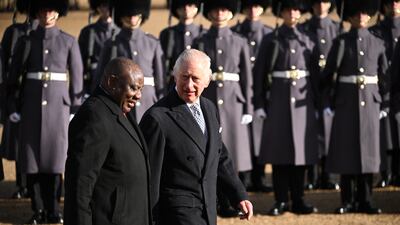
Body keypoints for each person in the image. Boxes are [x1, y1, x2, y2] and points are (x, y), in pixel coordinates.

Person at [140, 49, 253, 225]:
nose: (189, 85)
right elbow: (148, 176)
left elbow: (219, 155)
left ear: (207, 81)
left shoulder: (209, 108)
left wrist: (238, 194)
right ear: (175, 76)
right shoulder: (157, 118)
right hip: (176, 213)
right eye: (184, 77)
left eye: (196, 79)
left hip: (207, 208)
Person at [6, 0, 83, 223]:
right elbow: (13, 79)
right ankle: (37, 209)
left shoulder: (68, 41)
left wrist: (75, 107)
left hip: (59, 108)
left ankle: (53, 209)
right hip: (30, 107)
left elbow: (77, 80)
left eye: (51, 9)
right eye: (42, 9)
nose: (47, 13)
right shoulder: (26, 41)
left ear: (58, 12)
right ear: (36, 12)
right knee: (31, 161)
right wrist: (12, 106)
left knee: (55, 161)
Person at [64, 57, 151, 225]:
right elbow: (80, 185)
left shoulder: (119, 109)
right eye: (133, 88)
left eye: (141, 89)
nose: (139, 96)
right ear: (112, 81)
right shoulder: (94, 116)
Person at [253, 0, 319, 216]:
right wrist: (260, 103)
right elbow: (260, 74)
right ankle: (281, 200)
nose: (292, 13)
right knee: (280, 153)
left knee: (300, 154)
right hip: (278, 102)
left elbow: (316, 77)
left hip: (302, 103)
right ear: (281, 12)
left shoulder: (308, 39)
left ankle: (299, 199)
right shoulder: (271, 39)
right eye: (288, 9)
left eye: (295, 9)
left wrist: (318, 104)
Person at [324, 0, 389, 214]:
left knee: (368, 154)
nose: (360, 17)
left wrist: (383, 101)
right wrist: (328, 103)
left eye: (364, 13)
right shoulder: (341, 41)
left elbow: (384, 76)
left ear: (369, 15)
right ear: (350, 16)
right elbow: (328, 76)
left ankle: (366, 200)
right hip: (346, 103)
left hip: (370, 103)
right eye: (356, 13)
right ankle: (347, 199)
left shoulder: (378, 42)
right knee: (347, 152)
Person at [193, 0, 254, 216]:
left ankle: (231, 202)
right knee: (209, 152)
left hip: (233, 101)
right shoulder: (200, 40)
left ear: (230, 12)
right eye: (216, 9)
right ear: (209, 13)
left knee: (232, 152)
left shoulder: (240, 41)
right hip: (208, 100)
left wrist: (248, 106)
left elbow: (247, 77)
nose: (220, 13)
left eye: (224, 9)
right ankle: (216, 201)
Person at [94, 0, 164, 122]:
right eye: (128, 14)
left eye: (135, 14)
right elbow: (101, 78)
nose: (132, 18)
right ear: (121, 16)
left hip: (148, 101)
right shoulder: (111, 44)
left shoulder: (152, 43)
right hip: (120, 103)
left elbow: (160, 80)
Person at [231, 0, 273, 193]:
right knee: (243, 135)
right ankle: (244, 178)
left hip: (263, 88)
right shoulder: (235, 31)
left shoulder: (269, 32)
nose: (253, 10)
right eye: (249, 6)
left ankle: (260, 176)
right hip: (240, 89)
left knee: (261, 135)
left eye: (257, 5)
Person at [300, 0, 340, 191]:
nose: (320, 5)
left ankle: (330, 176)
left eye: (325, 1)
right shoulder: (303, 27)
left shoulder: (337, 28)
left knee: (332, 132)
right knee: (311, 132)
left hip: (331, 86)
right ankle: (312, 176)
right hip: (309, 86)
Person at [0, 0, 38, 199]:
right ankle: (22, 184)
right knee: (18, 141)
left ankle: (34, 186)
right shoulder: (13, 32)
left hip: (35, 92)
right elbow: (4, 67)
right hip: (17, 92)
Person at [370, 0, 400, 188]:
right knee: (384, 133)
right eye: (390, 2)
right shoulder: (375, 30)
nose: (394, 5)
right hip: (381, 87)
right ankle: (386, 172)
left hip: (398, 88)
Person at [159, 0, 205, 90]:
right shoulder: (167, 34)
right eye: (182, 5)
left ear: (197, 8)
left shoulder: (203, 34)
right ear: (176, 9)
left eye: (190, 4)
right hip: (173, 86)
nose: (186, 8)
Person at [78, 0, 119, 96]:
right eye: (104, 5)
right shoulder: (87, 32)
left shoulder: (120, 32)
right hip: (93, 80)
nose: (107, 9)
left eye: (110, 6)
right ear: (98, 7)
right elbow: (80, 63)